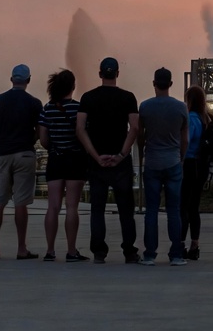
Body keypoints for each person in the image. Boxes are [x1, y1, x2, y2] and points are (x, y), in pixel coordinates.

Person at [76, 57, 140, 264]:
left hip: (97, 162)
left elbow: (80, 129)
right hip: (120, 163)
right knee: (126, 210)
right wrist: (121, 154)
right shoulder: (128, 98)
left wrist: (95, 155)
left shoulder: (88, 98)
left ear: (100, 74)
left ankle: (99, 252)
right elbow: (135, 128)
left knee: (97, 208)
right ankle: (129, 251)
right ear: (118, 74)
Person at [0, 64, 43, 259]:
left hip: (3, 153)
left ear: (11, 79)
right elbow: (40, 130)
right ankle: (21, 248)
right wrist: (32, 139)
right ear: (28, 80)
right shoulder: (34, 103)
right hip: (25, 154)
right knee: (21, 202)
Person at [138, 67, 188, 265]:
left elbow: (140, 135)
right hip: (173, 162)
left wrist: (142, 152)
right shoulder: (181, 107)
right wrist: (180, 158)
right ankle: (176, 254)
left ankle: (150, 254)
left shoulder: (145, 107)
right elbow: (185, 139)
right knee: (173, 210)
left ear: (154, 83)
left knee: (151, 210)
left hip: (152, 162)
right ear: (171, 84)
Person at [38, 69, 88, 262]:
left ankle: (50, 250)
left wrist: (54, 147)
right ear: (73, 87)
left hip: (55, 159)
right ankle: (71, 250)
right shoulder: (79, 109)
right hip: (75, 159)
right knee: (72, 207)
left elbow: (43, 138)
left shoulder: (48, 108)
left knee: (53, 207)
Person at [180, 85, 213, 261]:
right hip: (202, 166)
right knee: (194, 207)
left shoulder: (192, 118)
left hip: (190, 164)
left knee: (183, 206)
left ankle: (180, 244)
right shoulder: (206, 118)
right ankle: (195, 244)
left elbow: (187, 140)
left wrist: (180, 159)